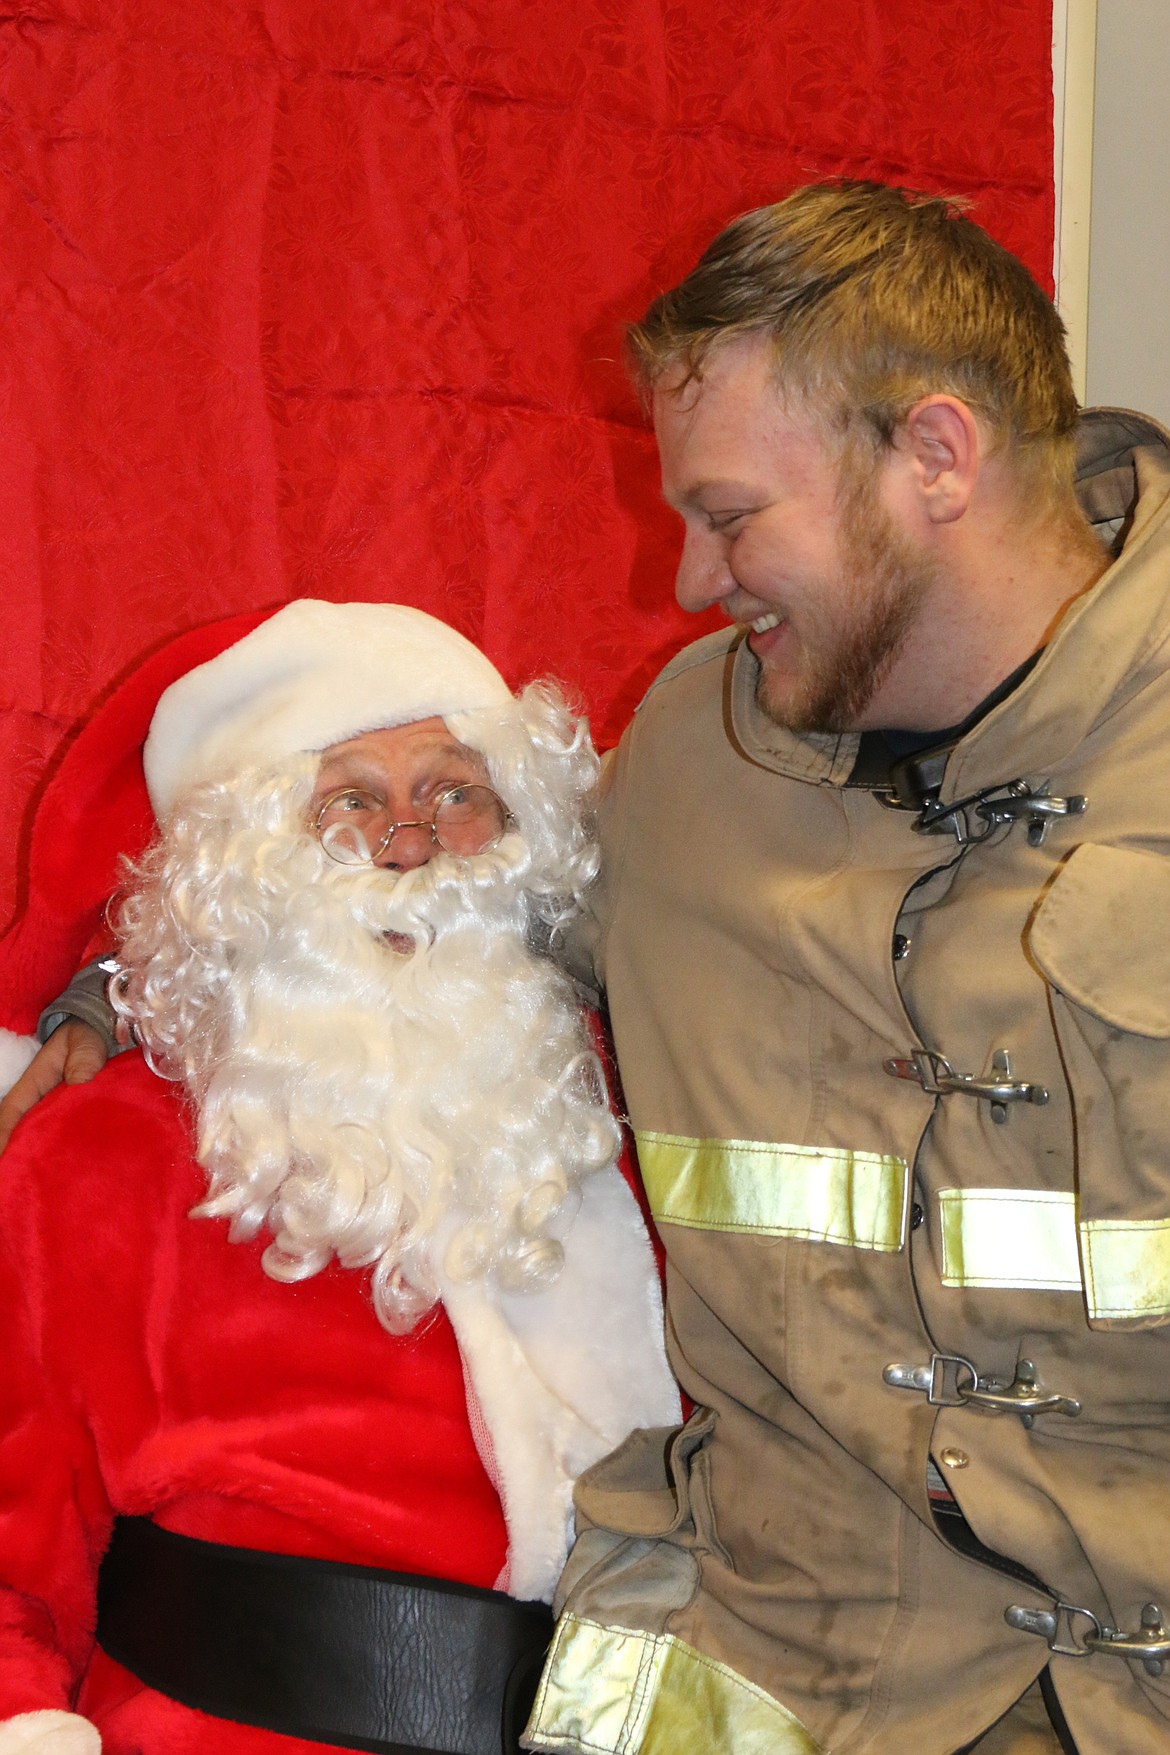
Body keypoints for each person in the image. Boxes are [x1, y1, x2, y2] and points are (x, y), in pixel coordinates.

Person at [521, 183, 1170, 1754]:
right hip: (767, 1675)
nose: (687, 581)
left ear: (933, 456)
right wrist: (102, 1000)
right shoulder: (687, 753)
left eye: (732, 514)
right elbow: (421, 933)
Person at [0, 599, 680, 1755]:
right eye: (350, 802)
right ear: (249, 869)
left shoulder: (638, 1106)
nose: (408, 844)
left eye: (454, 791)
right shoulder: (97, 1154)